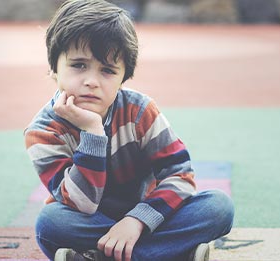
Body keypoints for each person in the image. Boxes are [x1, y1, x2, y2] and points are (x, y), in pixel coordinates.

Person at [24, 1, 234, 260]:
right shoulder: (44, 132)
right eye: (78, 65)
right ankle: (166, 254)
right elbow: (82, 203)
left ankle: (104, 256)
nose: (91, 81)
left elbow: (180, 175)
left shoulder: (139, 111)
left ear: (123, 78)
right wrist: (92, 132)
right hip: (89, 222)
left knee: (217, 207)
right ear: (54, 68)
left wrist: (136, 221)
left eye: (108, 70)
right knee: (51, 223)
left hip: (149, 217)